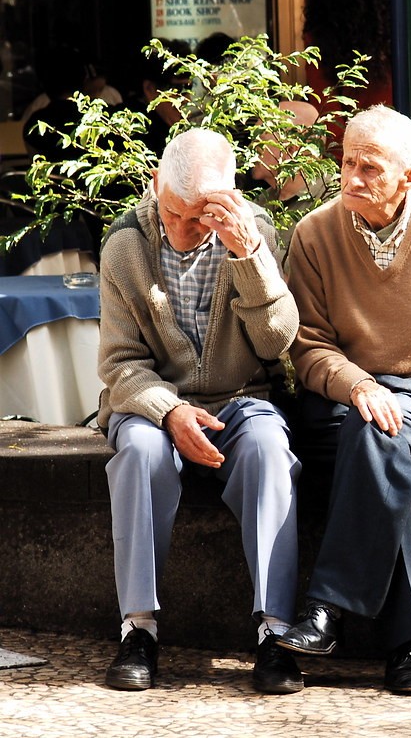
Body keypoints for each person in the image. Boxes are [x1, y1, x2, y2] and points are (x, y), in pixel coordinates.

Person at [276, 104, 411, 695]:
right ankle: (405, 646)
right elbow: (308, 347)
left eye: (370, 168)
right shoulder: (315, 233)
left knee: (380, 435)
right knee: (375, 442)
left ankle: (326, 610)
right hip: (342, 399)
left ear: (409, 175)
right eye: (347, 162)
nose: (352, 178)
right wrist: (359, 386)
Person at [97, 128, 304, 694]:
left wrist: (249, 257)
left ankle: (275, 631)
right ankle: (138, 629)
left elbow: (276, 343)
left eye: (201, 217)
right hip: (150, 403)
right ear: (156, 185)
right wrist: (169, 412)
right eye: (173, 212)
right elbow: (119, 364)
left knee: (267, 449)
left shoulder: (255, 233)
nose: (183, 229)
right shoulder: (125, 246)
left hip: (240, 399)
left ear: (230, 199)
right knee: (139, 451)